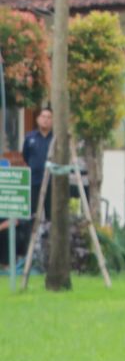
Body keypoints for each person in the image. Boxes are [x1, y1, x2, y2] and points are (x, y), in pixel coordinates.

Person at [18, 107, 54, 253]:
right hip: (33, 182)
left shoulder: (55, 139)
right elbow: (25, 156)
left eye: (49, 117)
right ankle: (28, 250)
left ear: (52, 121)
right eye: (43, 116)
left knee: (51, 217)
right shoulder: (30, 138)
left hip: (51, 183)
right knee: (31, 216)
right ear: (38, 119)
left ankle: (49, 250)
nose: (45, 120)